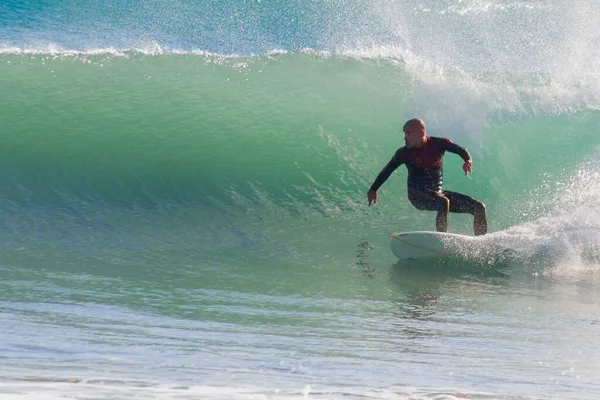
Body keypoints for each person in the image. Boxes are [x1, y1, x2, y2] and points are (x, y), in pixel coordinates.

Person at [367, 118, 487, 236]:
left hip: (437, 193)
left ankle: (482, 243)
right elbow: (387, 170)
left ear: (421, 133)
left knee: (478, 207)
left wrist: (467, 160)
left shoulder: (438, 144)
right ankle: (442, 239)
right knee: (443, 202)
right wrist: (373, 189)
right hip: (417, 195)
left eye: (408, 133)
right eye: (404, 133)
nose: (405, 137)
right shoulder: (404, 153)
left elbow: (459, 149)